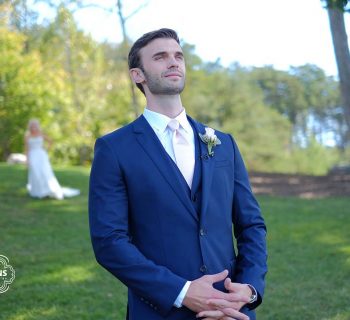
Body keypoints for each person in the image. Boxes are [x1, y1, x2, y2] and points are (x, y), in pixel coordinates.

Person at [89, 28, 267, 320]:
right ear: (138, 75)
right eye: (160, 57)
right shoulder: (114, 149)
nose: (173, 62)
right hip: (160, 312)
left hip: (231, 311)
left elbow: (252, 226)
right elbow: (109, 242)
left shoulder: (223, 144)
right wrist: (182, 292)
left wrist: (249, 289)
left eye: (178, 56)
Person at [25, 119, 80, 200]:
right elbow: (26, 148)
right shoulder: (27, 136)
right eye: (32, 125)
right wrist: (27, 159)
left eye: (35, 125)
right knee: (35, 172)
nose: (34, 127)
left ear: (37, 126)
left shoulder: (41, 134)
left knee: (44, 172)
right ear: (30, 126)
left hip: (41, 155)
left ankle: (47, 190)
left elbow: (50, 141)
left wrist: (46, 150)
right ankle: (37, 191)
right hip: (33, 155)